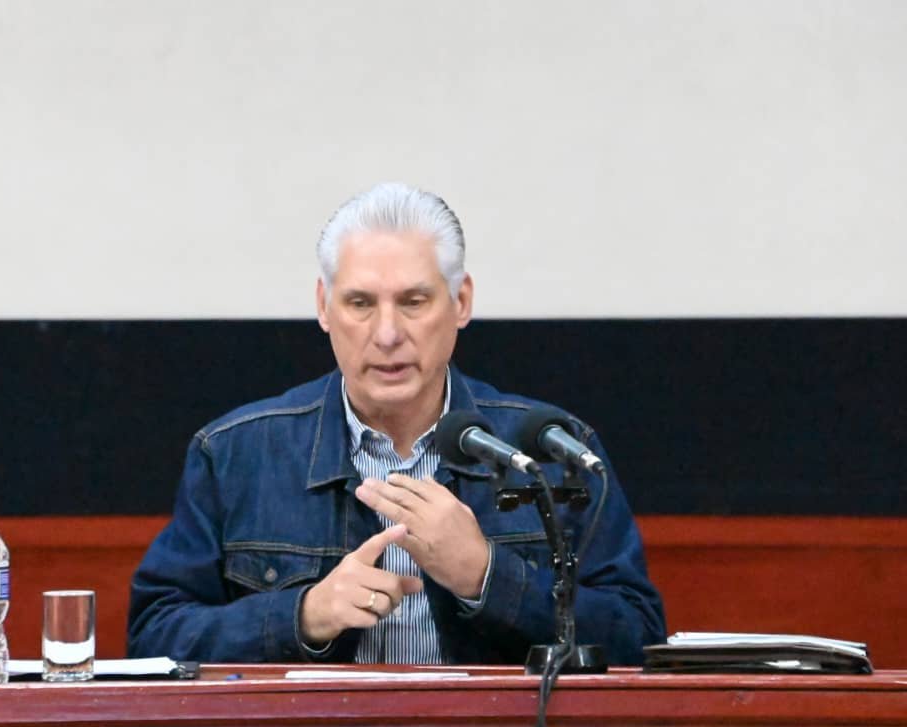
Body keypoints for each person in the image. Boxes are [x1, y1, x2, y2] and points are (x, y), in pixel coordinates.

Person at [127, 183, 666, 665]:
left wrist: (486, 577)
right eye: (360, 303)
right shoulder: (236, 454)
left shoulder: (551, 451)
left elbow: (638, 638)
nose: (387, 334)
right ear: (324, 307)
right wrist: (304, 615)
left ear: (460, 302)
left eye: (413, 301)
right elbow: (154, 638)